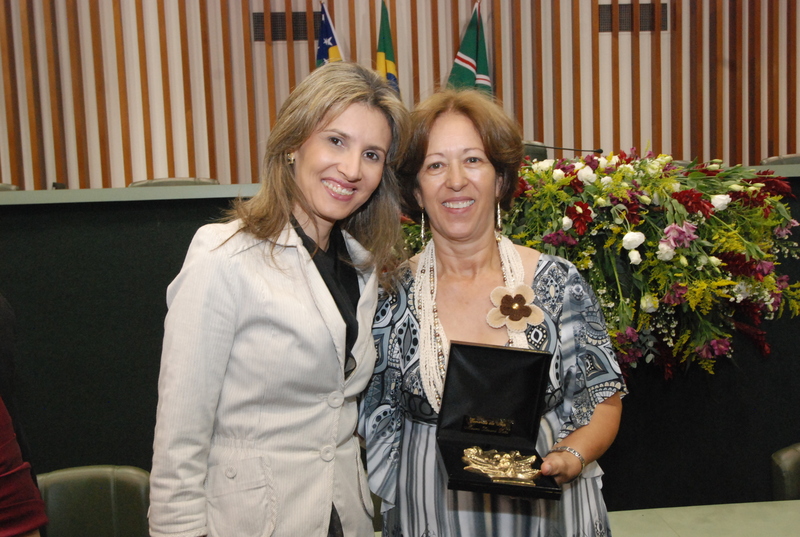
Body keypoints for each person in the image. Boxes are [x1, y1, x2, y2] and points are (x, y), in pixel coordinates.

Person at [148, 62, 409, 537]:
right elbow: (178, 441)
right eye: (336, 141)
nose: (352, 169)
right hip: (253, 521)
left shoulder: (363, 265)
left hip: (343, 517)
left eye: (371, 154)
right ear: (293, 144)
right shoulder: (224, 256)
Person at [359, 89, 627, 536]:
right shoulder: (388, 296)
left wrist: (572, 455)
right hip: (433, 514)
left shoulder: (558, 284)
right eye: (435, 165)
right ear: (416, 191)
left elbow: (603, 399)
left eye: (473, 160)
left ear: (500, 181)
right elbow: (369, 418)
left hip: (546, 514)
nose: (455, 180)